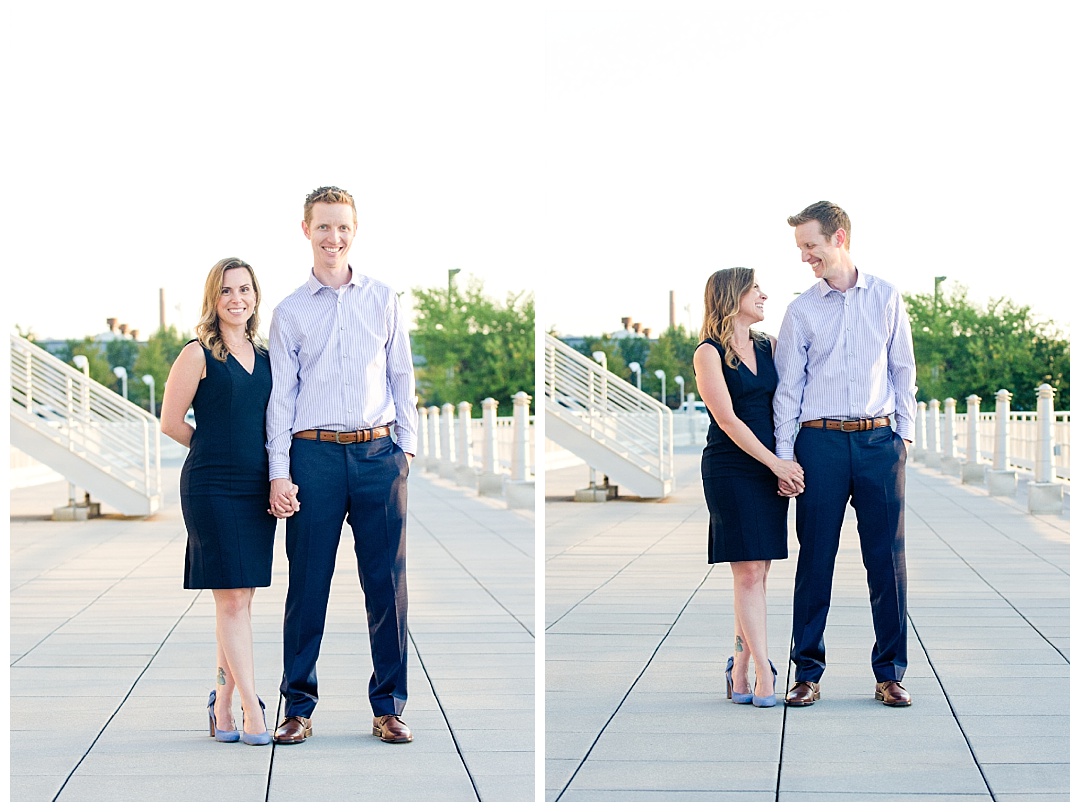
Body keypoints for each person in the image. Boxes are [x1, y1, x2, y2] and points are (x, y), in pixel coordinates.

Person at [266, 185, 419, 745]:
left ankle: (389, 706)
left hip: (379, 455)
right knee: (307, 586)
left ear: (355, 232)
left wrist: (406, 451)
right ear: (306, 230)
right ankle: (297, 706)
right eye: (324, 227)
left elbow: (401, 374)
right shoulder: (288, 312)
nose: (334, 238)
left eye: (344, 228)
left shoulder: (381, 298)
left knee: (387, 587)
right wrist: (279, 470)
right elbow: (281, 398)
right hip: (314, 457)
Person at [773, 201, 917, 708]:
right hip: (820, 445)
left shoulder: (885, 296)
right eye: (801, 248)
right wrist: (786, 457)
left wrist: (904, 439)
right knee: (815, 560)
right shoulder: (801, 310)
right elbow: (788, 390)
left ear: (838, 239)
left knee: (887, 562)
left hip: (879, 443)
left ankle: (890, 674)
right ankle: (806, 672)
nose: (805, 256)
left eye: (810, 245)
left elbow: (903, 371)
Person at [161, 257, 294, 746]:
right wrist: (214, 446)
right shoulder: (197, 354)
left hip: (255, 487)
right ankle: (252, 709)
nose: (237, 299)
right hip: (212, 487)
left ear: (256, 296)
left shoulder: (265, 354)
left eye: (245, 290)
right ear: (213, 300)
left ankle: (219, 707)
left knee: (241, 599)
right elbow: (172, 422)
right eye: (226, 291)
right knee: (233, 599)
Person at [693, 268, 805, 708]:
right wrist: (774, 461)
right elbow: (728, 420)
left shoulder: (770, 346)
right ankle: (764, 669)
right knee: (748, 572)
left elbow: (786, 407)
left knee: (760, 573)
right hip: (730, 469)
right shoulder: (708, 353)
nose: (763, 294)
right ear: (731, 295)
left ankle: (737, 667)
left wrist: (784, 462)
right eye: (754, 288)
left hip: (768, 467)